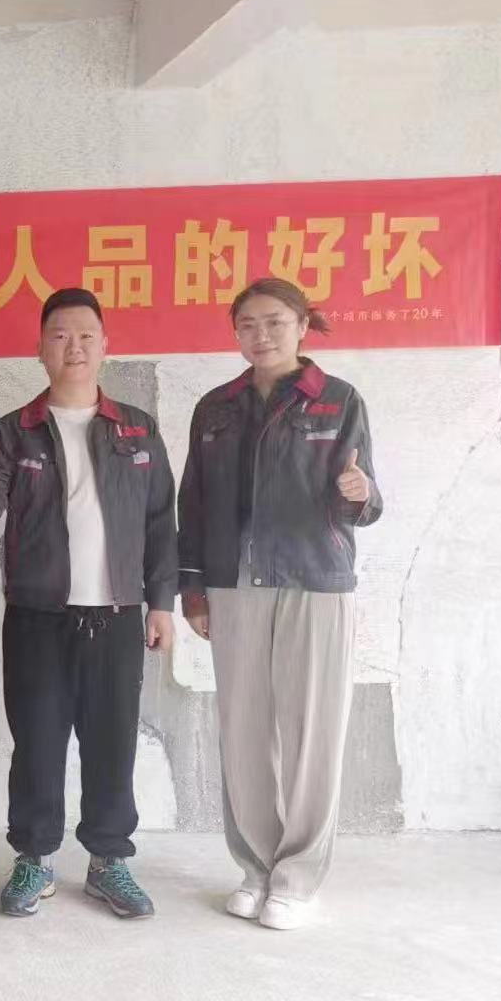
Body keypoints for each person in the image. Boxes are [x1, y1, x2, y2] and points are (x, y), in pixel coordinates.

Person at [0, 288, 177, 920]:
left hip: (117, 616)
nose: (73, 347)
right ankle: (33, 858)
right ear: (40, 349)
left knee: (112, 743)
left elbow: (161, 522)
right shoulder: (13, 430)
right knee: (38, 741)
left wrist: (161, 603)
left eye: (85, 335)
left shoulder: (137, 428)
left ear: (105, 346)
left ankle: (109, 861)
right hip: (37, 618)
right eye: (59, 335)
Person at [178, 276, 382, 931]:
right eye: (247, 324)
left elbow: (364, 500)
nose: (260, 335)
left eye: (274, 321)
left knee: (311, 734)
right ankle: (256, 868)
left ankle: (297, 878)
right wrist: (193, 589)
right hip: (234, 584)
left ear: (301, 324)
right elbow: (193, 503)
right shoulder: (215, 408)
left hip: (315, 581)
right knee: (243, 731)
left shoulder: (338, 400)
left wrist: (359, 492)